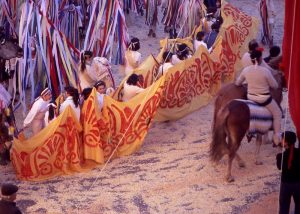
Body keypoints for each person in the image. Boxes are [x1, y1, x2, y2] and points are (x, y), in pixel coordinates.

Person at [235, 49, 282, 145]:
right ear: (261, 59)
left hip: (251, 98)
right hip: (264, 99)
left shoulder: (246, 70)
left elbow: (238, 83)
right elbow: (275, 86)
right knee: (278, 113)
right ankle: (277, 137)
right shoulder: (265, 71)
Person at [276, 131, 300, 214]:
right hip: (298, 184)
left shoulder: (280, 156)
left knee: (284, 207)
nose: (281, 140)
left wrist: (279, 151)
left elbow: (279, 167)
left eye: (282, 139)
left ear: (286, 142)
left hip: (285, 185)